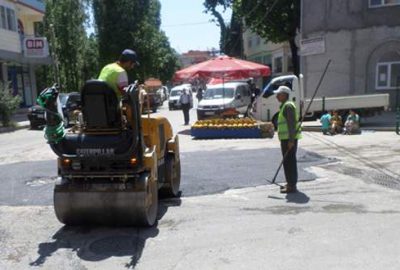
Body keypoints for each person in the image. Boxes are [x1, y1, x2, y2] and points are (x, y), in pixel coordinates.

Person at [274, 86, 302, 193]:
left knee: (290, 162)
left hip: (289, 139)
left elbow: (291, 124)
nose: (276, 96)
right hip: (285, 139)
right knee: (287, 161)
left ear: (284, 95)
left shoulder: (288, 106)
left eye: (278, 94)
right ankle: (289, 183)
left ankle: (292, 185)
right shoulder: (284, 106)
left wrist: (291, 140)